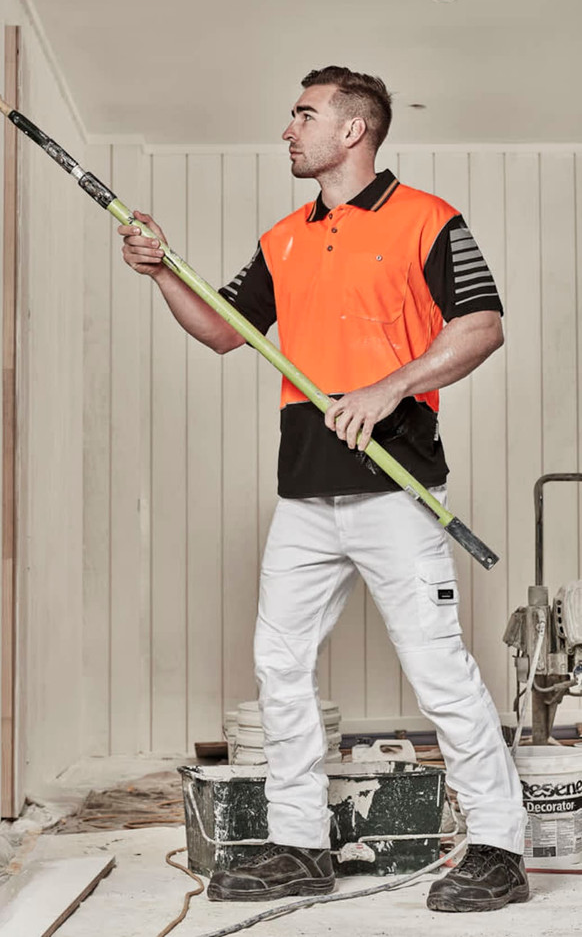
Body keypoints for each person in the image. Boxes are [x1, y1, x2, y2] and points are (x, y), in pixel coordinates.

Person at [119, 66, 528, 913]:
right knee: (279, 667)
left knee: (438, 669)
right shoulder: (284, 239)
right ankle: (300, 845)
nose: (288, 129)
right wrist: (162, 273)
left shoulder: (428, 220)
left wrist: (391, 386)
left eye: (305, 115)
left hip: (394, 487)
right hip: (305, 495)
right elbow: (224, 333)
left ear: (354, 131)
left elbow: (482, 324)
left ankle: (498, 845)